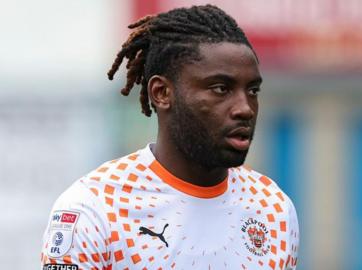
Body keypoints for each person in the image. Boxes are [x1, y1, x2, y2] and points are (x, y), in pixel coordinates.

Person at [40, 4, 299, 270]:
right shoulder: (94, 208)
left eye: (253, 91)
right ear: (162, 93)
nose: (244, 108)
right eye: (221, 88)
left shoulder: (273, 210)